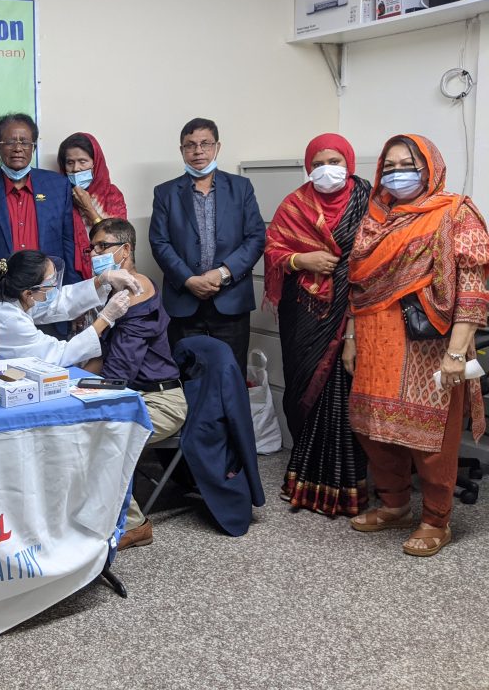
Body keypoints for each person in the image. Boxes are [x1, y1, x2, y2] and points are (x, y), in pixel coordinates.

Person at [345, 134, 489, 556]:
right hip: (375, 343)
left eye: (407, 165)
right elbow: (358, 288)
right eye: (388, 167)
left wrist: (457, 353)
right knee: (374, 429)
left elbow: (473, 291)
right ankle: (394, 506)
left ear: (430, 168)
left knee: (430, 438)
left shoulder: (455, 213)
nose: (397, 174)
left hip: (430, 347)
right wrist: (351, 339)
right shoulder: (375, 219)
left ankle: (436, 520)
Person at [264, 133, 371, 517]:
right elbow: (273, 248)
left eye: (335, 161)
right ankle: (305, 477)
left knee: (344, 393)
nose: (327, 170)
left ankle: (346, 484)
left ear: (349, 163)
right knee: (302, 387)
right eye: (318, 163)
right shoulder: (294, 204)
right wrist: (301, 260)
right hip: (304, 313)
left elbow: (377, 254)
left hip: (355, 312)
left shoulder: (369, 202)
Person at [83, 219, 187, 550]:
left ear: (125, 249)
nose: (95, 254)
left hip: (161, 402)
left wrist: (80, 379)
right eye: (91, 248)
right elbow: (103, 359)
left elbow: (119, 370)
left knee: (105, 437)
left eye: (103, 246)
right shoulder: (114, 292)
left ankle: (135, 525)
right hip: (133, 394)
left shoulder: (136, 292)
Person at [149, 117, 265, 377]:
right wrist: (188, 279)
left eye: (205, 144)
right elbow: (159, 242)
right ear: (182, 150)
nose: (198, 151)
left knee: (231, 376)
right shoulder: (165, 193)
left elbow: (256, 237)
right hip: (184, 302)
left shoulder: (241, 187)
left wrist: (223, 273)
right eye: (190, 145)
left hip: (231, 300)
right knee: (189, 376)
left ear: (217, 147)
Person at [0, 114, 78, 337]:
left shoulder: (57, 187)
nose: (17, 148)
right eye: (9, 142)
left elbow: (68, 246)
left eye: (24, 142)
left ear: (33, 147)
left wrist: (74, 305)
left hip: (48, 303)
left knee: (53, 357)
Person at [0, 250, 139, 366]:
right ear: (28, 293)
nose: (55, 286)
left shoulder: (11, 297)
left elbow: (61, 302)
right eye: (50, 282)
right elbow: (59, 354)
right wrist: (105, 318)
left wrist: (101, 280)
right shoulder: (8, 318)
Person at [57, 132, 127, 281]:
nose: (76, 168)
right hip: (70, 277)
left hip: (107, 275)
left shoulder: (112, 196)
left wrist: (88, 208)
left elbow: (118, 240)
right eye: (70, 162)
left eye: (82, 161)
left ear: (96, 163)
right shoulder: (58, 197)